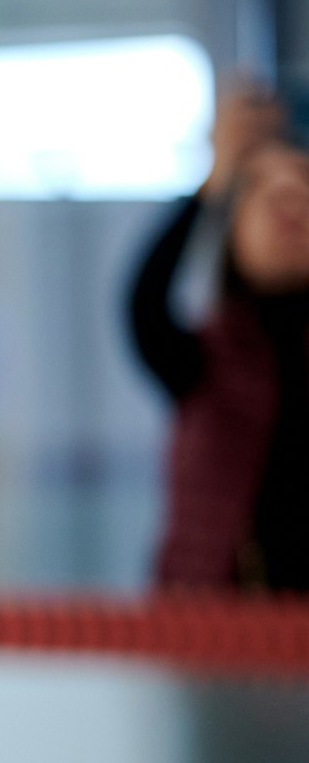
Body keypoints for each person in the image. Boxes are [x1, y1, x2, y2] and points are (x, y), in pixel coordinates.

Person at [129, 79, 309, 590]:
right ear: (232, 231)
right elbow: (144, 301)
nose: (289, 202)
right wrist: (214, 177)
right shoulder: (202, 360)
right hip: (211, 633)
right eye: (260, 188)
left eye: (305, 185)